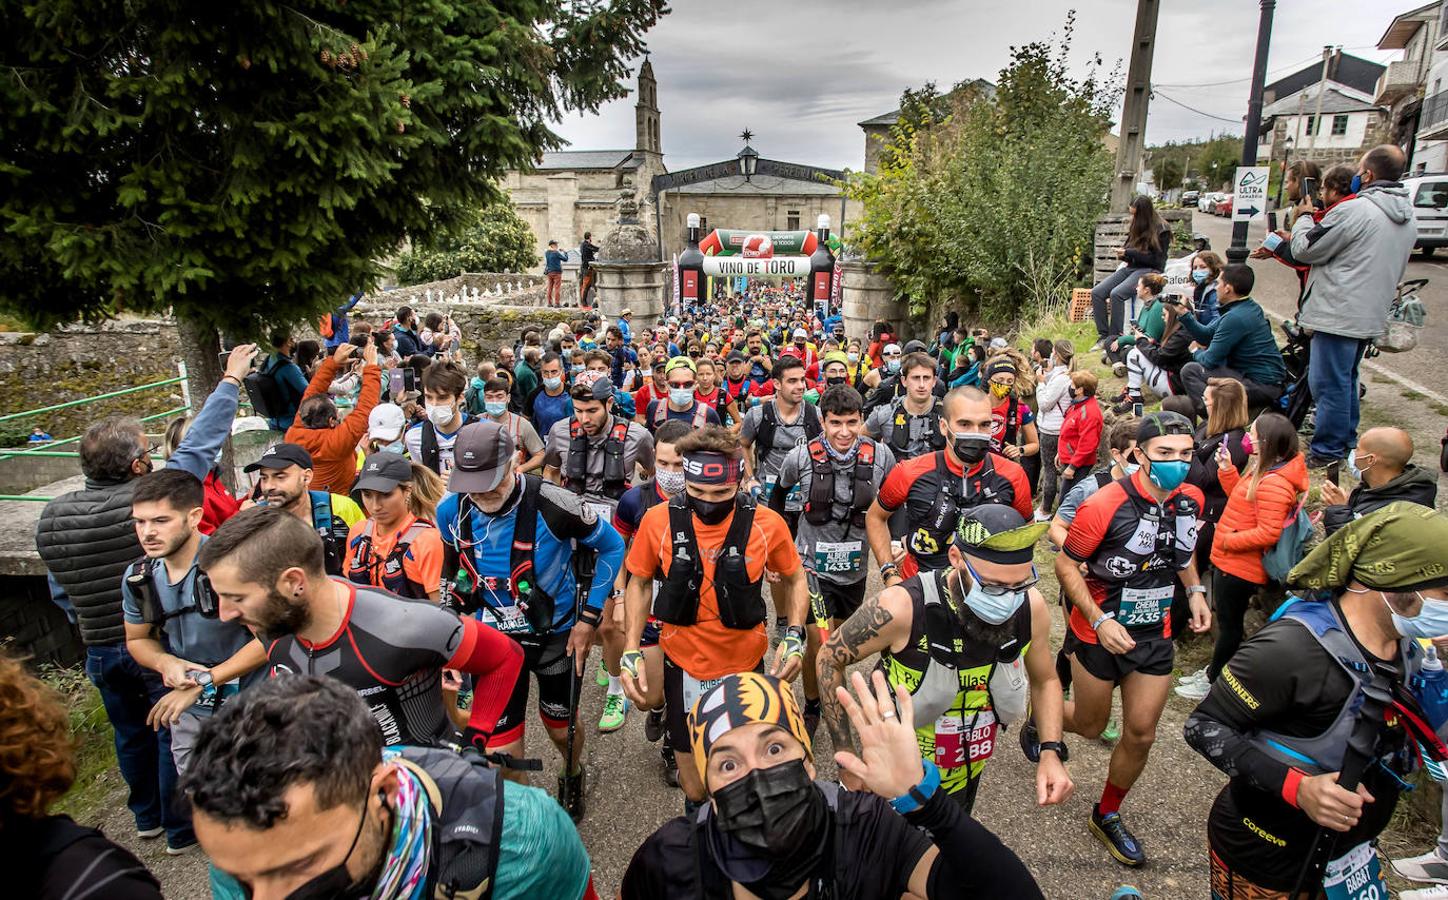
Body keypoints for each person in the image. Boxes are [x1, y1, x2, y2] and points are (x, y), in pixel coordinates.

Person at [35, 345, 257, 855]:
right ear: (139, 465)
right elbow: (200, 445)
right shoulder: (158, 502)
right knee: (169, 728)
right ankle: (182, 829)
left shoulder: (53, 515)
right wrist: (229, 380)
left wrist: (90, 622)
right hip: (156, 641)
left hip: (100, 644)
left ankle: (145, 819)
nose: (147, 530)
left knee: (129, 733)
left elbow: (58, 590)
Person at [1185, 503, 1448, 899]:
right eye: (1445, 593)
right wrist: (1298, 789)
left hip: (1348, 856)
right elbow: (1203, 727)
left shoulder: (1410, 647)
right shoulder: (1290, 649)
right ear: (1394, 579)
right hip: (1267, 850)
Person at [619, 670, 1044, 899]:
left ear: (807, 762)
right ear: (708, 791)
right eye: (728, 764)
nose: (756, 775)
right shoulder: (670, 861)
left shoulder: (866, 830)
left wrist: (925, 799)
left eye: (773, 750)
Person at [188, 675, 596, 900]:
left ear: (383, 794)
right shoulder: (243, 849)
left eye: (300, 868)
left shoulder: (525, 844)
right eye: (243, 881)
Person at [202, 504, 523, 755]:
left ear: (294, 582)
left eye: (236, 597)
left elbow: (505, 657)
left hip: (426, 788)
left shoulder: (403, 626)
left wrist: (476, 739)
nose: (225, 614)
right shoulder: (273, 620)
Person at [820, 503, 1072, 814]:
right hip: (893, 782)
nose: (1007, 599)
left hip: (964, 778)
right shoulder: (902, 608)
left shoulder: (1030, 608)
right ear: (956, 558)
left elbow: (1046, 680)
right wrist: (846, 756)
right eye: (993, 586)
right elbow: (829, 658)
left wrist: (1050, 751)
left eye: (1018, 584)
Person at [435, 420, 626, 817]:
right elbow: (452, 568)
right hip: (493, 641)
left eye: (490, 479)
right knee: (499, 749)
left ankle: (572, 771)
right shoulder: (449, 511)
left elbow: (612, 546)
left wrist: (588, 620)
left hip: (555, 632)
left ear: (515, 463)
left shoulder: (555, 503)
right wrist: (448, 624)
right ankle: (530, 818)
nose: (482, 491)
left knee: (560, 728)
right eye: (471, 482)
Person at [618, 426, 807, 812]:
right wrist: (630, 650)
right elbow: (638, 583)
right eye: (696, 492)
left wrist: (794, 635)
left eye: (720, 493)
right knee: (693, 786)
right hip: (683, 665)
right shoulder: (657, 521)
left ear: (739, 481)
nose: (707, 502)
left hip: (745, 664)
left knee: (743, 770)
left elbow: (796, 576)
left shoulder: (766, 523)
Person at [1058, 411, 1211, 867]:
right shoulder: (1103, 504)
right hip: (1097, 630)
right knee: (1088, 725)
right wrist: (1099, 619)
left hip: (1155, 631)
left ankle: (1106, 813)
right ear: (1139, 455)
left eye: (1186, 454)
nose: (1178, 463)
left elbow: (1180, 551)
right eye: (1166, 454)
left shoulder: (1193, 499)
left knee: (1141, 734)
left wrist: (1196, 591)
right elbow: (1067, 565)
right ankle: (1039, 713)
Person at [123, 469, 268, 778]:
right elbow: (137, 639)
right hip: (191, 714)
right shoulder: (140, 578)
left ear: (194, 517)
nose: (147, 532)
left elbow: (270, 640)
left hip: (255, 707)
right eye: (140, 521)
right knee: (206, 804)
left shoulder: (234, 563)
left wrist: (207, 680)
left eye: (161, 521)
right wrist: (165, 662)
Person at [777, 384, 896, 735]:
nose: (844, 432)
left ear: (862, 420)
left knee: (843, 644)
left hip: (855, 569)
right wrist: (778, 551)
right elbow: (778, 499)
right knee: (820, 642)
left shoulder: (880, 456)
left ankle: (835, 693)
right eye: (835, 423)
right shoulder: (800, 458)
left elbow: (894, 503)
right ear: (822, 422)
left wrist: (898, 543)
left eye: (852, 422)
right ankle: (815, 704)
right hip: (812, 567)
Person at [0, 650, 164, 900]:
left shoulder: (93, 884)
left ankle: (150, 818)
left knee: (135, 735)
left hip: (105, 653)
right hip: (116, 653)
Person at [1290, 145, 1417, 465]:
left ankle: (1328, 451)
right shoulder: (1406, 216)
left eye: (1360, 171)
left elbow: (1307, 249)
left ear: (1369, 175)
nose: (1357, 176)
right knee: (1345, 380)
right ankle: (1345, 442)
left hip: (1338, 311)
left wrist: (1304, 219)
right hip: (1368, 313)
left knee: (1328, 384)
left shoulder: (1356, 210)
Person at [1189, 412, 1307, 699]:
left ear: (1265, 441)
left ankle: (1214, 681)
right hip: (1230, 562)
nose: (1248, 438)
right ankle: (1212, 671)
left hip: (1240, 567)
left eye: (1253, 433)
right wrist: (1228, 471)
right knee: (1228, 623)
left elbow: (1269, 532)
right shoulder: (1266, 471)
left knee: (1230, 626)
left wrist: (1229, 541)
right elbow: (1243, 499)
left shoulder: (1276, 484)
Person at [868, 385, 1033, 584]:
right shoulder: (910, 472)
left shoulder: (1013, 475)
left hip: (985, 591)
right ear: (944, 427)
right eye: (965, 424)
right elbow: (875, 516)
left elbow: (1026, 530)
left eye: (984, 425)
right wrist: (889, 573)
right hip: (921, 586)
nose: (976, 433)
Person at [543, 370, 655, 524]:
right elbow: (551, 470)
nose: (585, 419)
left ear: (609, 403)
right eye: (578, 411)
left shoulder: (638, 436)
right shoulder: (559, 431)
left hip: (618, 521)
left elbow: (653, 472)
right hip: (572, 517)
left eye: (592, 410)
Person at [1175, 264, 1286, 416]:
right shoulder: (1246, 307)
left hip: (1259, 385)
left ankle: (1215, 420)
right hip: (1265, 382)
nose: (1216, 288)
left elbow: (1209, 361)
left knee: (1190, 371)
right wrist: (1184, 314)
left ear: (1228, 288)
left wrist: (1195, 350)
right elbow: (1206, 335)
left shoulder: (1235, 317)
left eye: (1218, 283)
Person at [246, 442, 364, 577]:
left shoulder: (339, 507)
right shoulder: (256, 520)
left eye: (280, 477)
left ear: (306, 477)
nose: (269, 486)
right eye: (264, 478)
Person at [343, 452, 447, 600]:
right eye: (367, 494)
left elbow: (440, 611)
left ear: (407, 491)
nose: (375, 506)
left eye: (385, 495)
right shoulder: (359, 532)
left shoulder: (427, 541)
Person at [284, 341, 382, 494]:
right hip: (337, 503)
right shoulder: (337, 441)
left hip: (305, 497)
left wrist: (333, 363)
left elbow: (312, 392)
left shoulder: (294, 433)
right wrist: (372, 367)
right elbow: (365, 409)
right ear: (331, 421)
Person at [741, 355, 822, 530]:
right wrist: (749, 479)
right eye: (792, 381)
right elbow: (743, 445)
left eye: (802, 380)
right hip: (768, 501)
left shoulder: (816, 415)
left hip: (806, 504)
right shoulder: (758, 415)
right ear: (777, 384)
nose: (801, 386)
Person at [1322, 426, 1439, 535]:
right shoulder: (1406, 487)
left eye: (1357, 448)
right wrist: (1347, 506)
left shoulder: (1394, 513)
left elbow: (1353, 547)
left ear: (1370, 460)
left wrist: (1338, 511)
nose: (1353, 452)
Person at [1092, 195, 1172, 345]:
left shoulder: (1162, 229)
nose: (1132, 217)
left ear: (1143, 214)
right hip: (1132, 268)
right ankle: (1103, 335)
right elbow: (1130, 251)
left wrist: (1129, 253)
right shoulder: (1137, 226)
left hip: (1150, 269)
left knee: (1117, 294)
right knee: (1097, 292)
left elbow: (1157, 260)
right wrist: (1123, 254)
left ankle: (1114, 338)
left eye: (1134, 214)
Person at [864, 351, 946, 462]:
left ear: (934, 381)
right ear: (904, 381)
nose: (921, 385)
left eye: (926, 378)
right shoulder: (885, 414)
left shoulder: (948, 414)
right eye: (916, 378)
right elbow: (862, 440)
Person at [404, 360, 473, 477]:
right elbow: (423, 481)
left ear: (460, 397)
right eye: (429, 397)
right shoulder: (414, 436)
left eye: (442, 398)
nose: (434, 404)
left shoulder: (483, 431)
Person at [983, 356, 1040, 486]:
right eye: (1000, 380)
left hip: (1002, 470)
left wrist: (1019, 450)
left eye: (1009, 381)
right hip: (975, 465)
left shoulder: (1020, 409)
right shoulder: (975, 403)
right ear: (990, 381)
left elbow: (1035, 445)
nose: (1004, 384)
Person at [1034, 339, 1074, 520]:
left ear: (1055, 355)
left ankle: (1045, 510)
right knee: (1056, 469)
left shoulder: (1062, 378)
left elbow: (1044, 404)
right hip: (1060, 427)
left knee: (1050, 469)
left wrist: (1041, 383)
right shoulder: (1067, 374)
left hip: (1052, 429)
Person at [1101, 273, 1169, 373]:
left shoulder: (1157, 307)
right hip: (1140, 341)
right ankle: (1118, 363)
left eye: (1138, 286)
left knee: (1127, 351)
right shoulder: (1146, 305)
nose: (1136, 288)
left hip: (1151, 347)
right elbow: (1141, 329)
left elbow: (1150, 338)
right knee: (1110, 340)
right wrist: (1131, 333)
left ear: (1146, 290)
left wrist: (1124, 339)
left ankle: (1116, 359)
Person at [1057, 370, 1105, 500]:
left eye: (1072, 385)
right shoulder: (1077, 405)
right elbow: (1068, 434)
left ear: (1080, 390)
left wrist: (1073, 467)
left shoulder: (1089, 413)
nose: (1070, 387)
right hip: (1070, 459)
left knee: (1067, 499)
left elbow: (1088, 444)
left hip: (1078, 464)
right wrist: (1060, 453)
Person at [641, 356, 722, 433]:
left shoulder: (709, 414)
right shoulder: (654, 409)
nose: (681, 389)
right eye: (675, 385)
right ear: (667, 384)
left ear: (695, 384)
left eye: (687, 384)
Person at [258, 330, 311, 430]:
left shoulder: (269, 360)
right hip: (291, 423)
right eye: (292, 339)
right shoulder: (288, 367)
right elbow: (310, 392)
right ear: (288, 342)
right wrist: (316, 376)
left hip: (275, 420)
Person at [524, 352, 574, 440]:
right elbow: (524, 421)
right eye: (545, 372)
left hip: (569, 445)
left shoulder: (572, 393)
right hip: (543, 446)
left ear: (561, 371)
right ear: (541, 372)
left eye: (554, 372)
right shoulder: (534, 395)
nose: (550, 376)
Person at [1189, 251, 1224, 325]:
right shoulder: (1201, 288)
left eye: (1203, 267)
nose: (1197, 271)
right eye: (1195, 268)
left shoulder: (1215, 290)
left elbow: (1217, 320)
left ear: (1213, 268)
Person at [544, 239, 567, 307]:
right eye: (555, 244)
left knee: (550, 288)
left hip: (549, 272)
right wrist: (565, 252)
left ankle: (549, 303)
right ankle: (557, 303)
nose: (557, 246)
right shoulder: (556, 253)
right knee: (557, 288)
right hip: (557, 273)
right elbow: (565, 259)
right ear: (552, 245)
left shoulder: (547, 253)